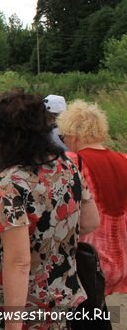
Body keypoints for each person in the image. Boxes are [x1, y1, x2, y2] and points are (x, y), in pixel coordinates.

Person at [0, 92, 100, 330]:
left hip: (16, 305)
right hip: (60, 297)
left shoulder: (9, 184)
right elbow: (91, 222)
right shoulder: (69, 166)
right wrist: (52, 243)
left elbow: (19, 263)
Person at [58, 100, 127, 295]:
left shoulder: (74, 162)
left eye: (64, 137)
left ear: (73, 134)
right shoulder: (124, 159)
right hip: (120, 258)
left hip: (88, 259)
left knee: (84, 318)